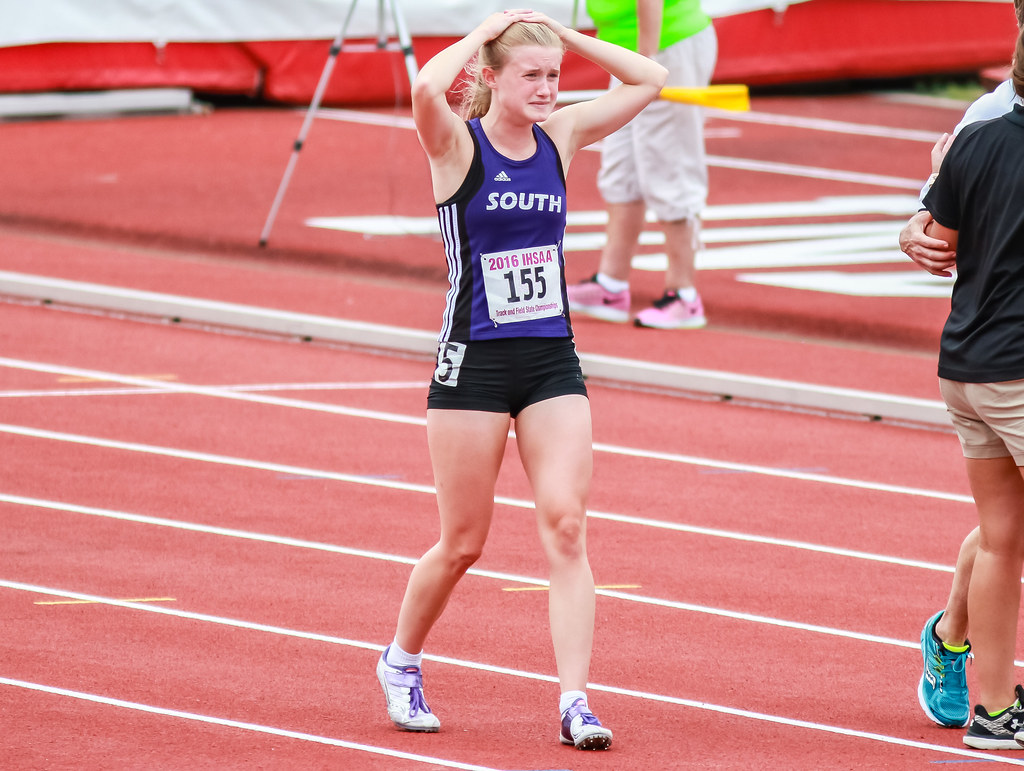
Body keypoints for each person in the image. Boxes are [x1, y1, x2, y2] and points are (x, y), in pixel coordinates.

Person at [374, 9, 667, 751]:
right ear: (494, 80)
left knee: (567, 525)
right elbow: (422, 88)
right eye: (530, 77)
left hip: (549, 362)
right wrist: (483, 36)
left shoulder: (560, 137)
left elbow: (650, 78)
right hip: (471, 363)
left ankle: (575, 702)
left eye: (554, 79)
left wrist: (562, 40)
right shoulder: (454, 146)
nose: (546, 90)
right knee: (463, 541)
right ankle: (400, 659)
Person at [902, 0, 1024, 733]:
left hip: (966, 362)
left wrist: (933, 201)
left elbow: (936, 232)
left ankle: (990, 698)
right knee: (1005, 532)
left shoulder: (973, 140)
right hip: (1014, 367)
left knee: (1003, 532)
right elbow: (925, 231)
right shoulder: (981, 124)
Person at [566, 0, 717, 329]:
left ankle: (684, 295)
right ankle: (611, 284)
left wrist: (647, 65)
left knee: (671, 165)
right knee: (622, 169)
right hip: (630, 54)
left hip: (663, 48)